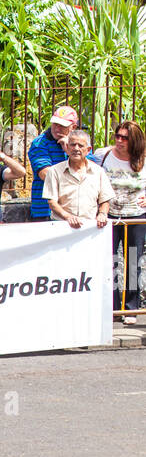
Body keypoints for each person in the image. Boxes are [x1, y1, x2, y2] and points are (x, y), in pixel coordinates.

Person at [93, 120, 146, 324]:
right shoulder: (103, 155)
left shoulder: (142, 159)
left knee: (133, 261)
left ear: (135, 141)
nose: (119, 141)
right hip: (110, 215)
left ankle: (131, 309)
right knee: (110, 261)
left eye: (125, 138)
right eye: (117, 136)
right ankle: (113, 307)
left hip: (136, 215)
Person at [43, 131, 113, 228]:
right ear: (67, 147)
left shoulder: (98, 172)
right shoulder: (54, 171)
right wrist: (68, 217)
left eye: (80, 145)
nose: (76, 148)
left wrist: (102, 214)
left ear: (88, 150)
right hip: (61, 226)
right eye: (73, 145)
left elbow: (105, 200)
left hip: (90, 228)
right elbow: (52, 202)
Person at [27, 105, 78, 220]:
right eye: (55, 124)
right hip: (45, 211)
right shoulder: (40, 143)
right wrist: (76, 176)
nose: (57, 128)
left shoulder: (79, 143)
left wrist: (70, 152)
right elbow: (46, 174)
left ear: (73, 127)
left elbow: (90, 171)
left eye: (62, 126)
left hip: (74, 210)